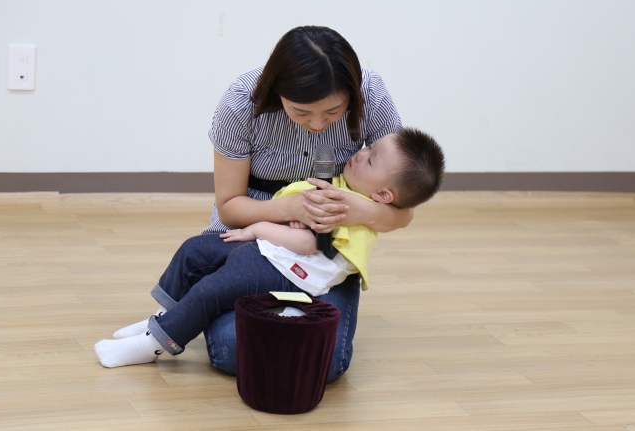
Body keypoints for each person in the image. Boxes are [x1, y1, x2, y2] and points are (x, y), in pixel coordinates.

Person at [94, 127, 445, 368]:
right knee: (195, 250)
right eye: (367, 147)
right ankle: (161, 320)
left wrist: (259, 229)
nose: (360, 152)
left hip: (289, 270)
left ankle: (153, 345)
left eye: (370, 159)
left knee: (213, 288)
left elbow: (309, 245)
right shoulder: (344, 186)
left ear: (383, 195)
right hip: (270, 249)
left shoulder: (354, 213)